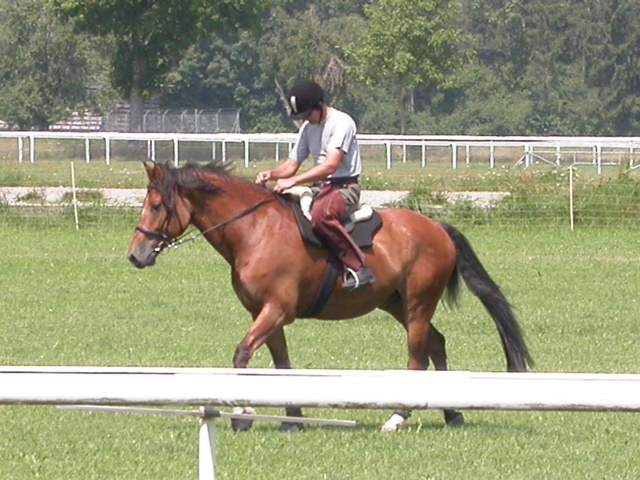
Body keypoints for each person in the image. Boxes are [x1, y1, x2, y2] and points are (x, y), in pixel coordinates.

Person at [255, 80, 375, 290]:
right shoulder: (307, 128)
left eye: (307, 114)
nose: (305, 120)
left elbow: (330, 166)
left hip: (344, 187)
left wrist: (293, 181)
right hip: (321, 188)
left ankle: (359, 268)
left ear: (320, 105)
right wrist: (271, 174)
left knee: (322, 216)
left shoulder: (342, 123)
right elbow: (291, 165)